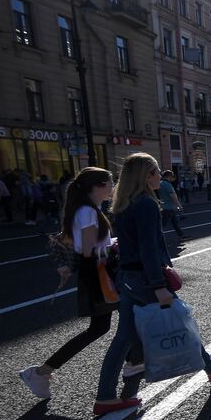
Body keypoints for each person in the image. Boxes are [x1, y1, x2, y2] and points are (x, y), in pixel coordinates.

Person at [94, 153, 211, 415]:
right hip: (144, 279)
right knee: (180, 322)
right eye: (155, 172)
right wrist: (158, 285)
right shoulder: (147, 204)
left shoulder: (123, 204)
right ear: (145, 176)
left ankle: (105, 396)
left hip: (127, 277)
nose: (160, 176)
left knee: (123, 338)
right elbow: (149, 249)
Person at [18, 168, 130, 399]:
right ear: (97, 187)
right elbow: (89, 250)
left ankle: (41, 372)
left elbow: (88, 244)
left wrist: (110, 241)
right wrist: (114, 247)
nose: (113, 187)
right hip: (98, 272)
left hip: (96, 271)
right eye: (110, 183)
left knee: (105, 325)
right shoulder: (88, 212)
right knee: (117, 321)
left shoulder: (88, 209)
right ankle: (40, 372)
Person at [159, 170, 187, 240]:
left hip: (162, 206)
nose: (173, 178)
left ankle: (182, 235)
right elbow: (173, 196)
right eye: (172, 176)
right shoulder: (168, 185)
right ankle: (156, 238)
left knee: (175, 222)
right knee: (162, 224)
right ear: (169, 176)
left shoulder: (160, 183)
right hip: (168, 208)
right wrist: (179, 206)